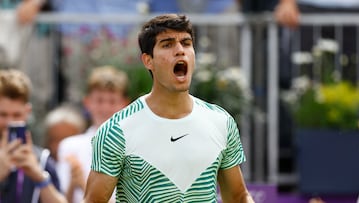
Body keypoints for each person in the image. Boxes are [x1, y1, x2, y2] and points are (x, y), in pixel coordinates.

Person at [82, 14, 254, 203]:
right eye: (167, 44)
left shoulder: (221, 122)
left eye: (186, 43)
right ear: (148, 61)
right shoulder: (116, 130)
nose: (180, 50)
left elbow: (238, 197)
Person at [57, 66, 130, 203]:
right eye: (99, 100)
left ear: (125, 104)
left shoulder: (133, 147)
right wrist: (73, 183)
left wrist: (83, 184)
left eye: (112, 101)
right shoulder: (69, 146)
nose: (105, 108)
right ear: (87, 102)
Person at [0, 69, 66, 203]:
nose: (9, 122)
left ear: (27, 112)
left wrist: (39, 177)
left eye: (16, 115)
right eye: (3, 115)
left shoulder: (42, 160)